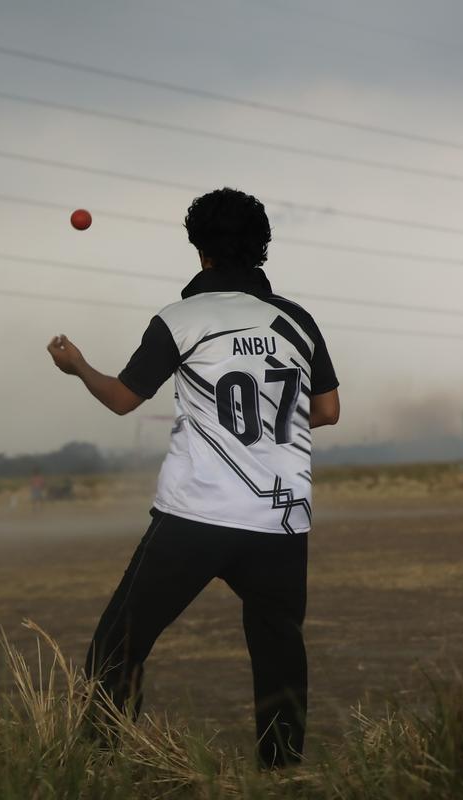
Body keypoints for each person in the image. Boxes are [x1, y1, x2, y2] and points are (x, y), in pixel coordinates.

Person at [46, 187, 340, 767]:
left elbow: (124, 399)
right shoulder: (297, 321)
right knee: (279, 654)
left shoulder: (181, 318)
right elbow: (327, 411)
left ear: (199, 250)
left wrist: (76, 365)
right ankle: (281, 774)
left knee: (117, 646)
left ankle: (108, 764)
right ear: (261, 249)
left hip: (197, 515)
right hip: (279, 517)